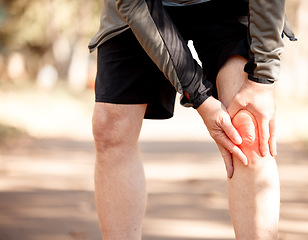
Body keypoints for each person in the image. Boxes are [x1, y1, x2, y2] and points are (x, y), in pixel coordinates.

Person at [89, 0, 295, 239]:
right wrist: (198, 95)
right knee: (110, 127)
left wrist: (262, 80)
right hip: (143, 7)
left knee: (248, 127)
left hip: (229, 7)